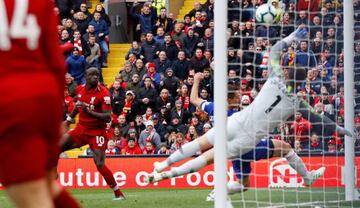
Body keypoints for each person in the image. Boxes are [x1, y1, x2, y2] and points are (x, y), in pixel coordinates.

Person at [145, 26, 352, 185]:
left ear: (287, 73)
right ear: (299, 83)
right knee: (209, 158)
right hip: (248, 139)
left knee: (201, 143)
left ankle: (162, 164)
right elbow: (320, 120)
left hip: (236, 122)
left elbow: (276, 50)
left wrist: (293, 37)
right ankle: (164, 175)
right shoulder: (299, 103)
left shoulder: (275, 77)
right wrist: (339, 129)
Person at [0, 0, 80, 207]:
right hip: (42, 96)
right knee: (46, 186)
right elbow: (56, 64)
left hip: (9, 100)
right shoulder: (39, 3)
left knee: (31, 196)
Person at [62, 68, 125, 200]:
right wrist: (68, 121)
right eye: (92, 75)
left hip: (97, 132)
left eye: (97, 75)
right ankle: (53, 178)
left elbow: (108, 117)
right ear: (85, 76)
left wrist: (89, 111)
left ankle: (118, 193)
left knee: (100, 163)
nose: (95, 77)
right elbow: (78, 106)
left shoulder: (104, 93)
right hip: (81, 129)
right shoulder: (79, 89)